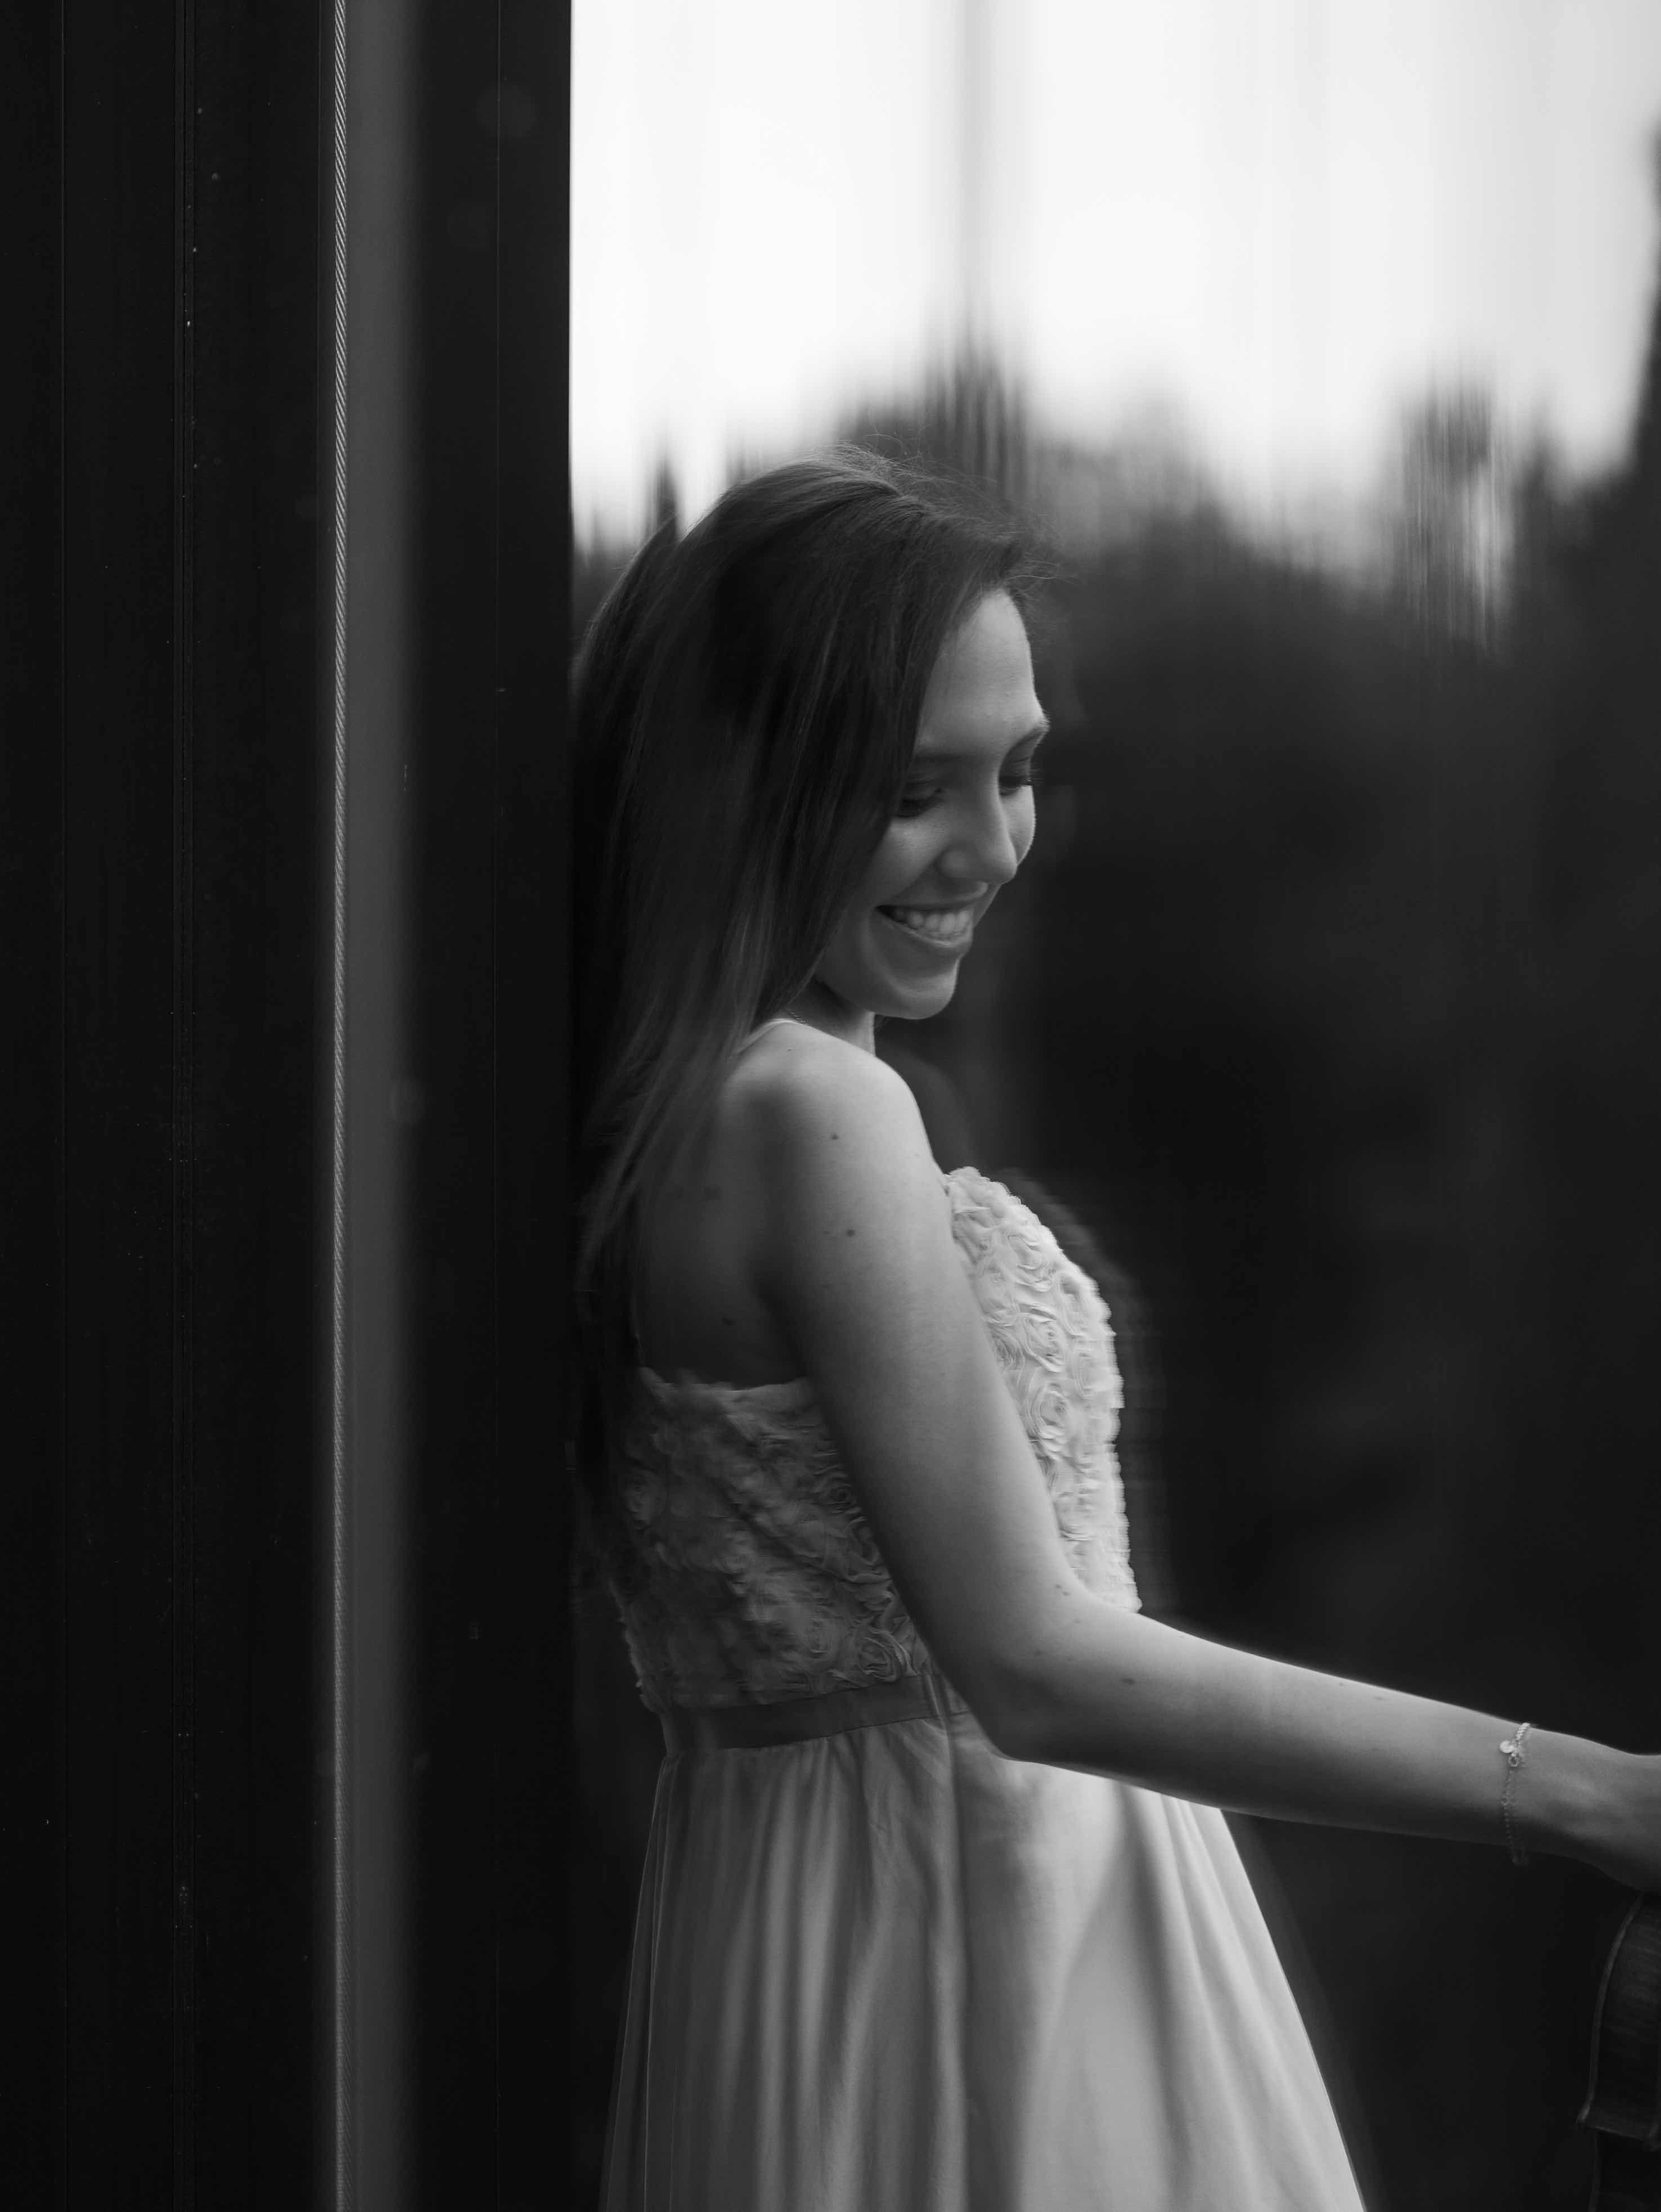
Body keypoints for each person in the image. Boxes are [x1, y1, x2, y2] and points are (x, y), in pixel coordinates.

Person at [574, 452, 1661, 2210]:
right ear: (749, 783)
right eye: (912, 786)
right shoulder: (812, 1113)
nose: (989, 846)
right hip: (980, 1914)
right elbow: (1036, 1661)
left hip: (803, 1935)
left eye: (1016, 772)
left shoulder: (679, 1108)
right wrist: (1582, 1790)